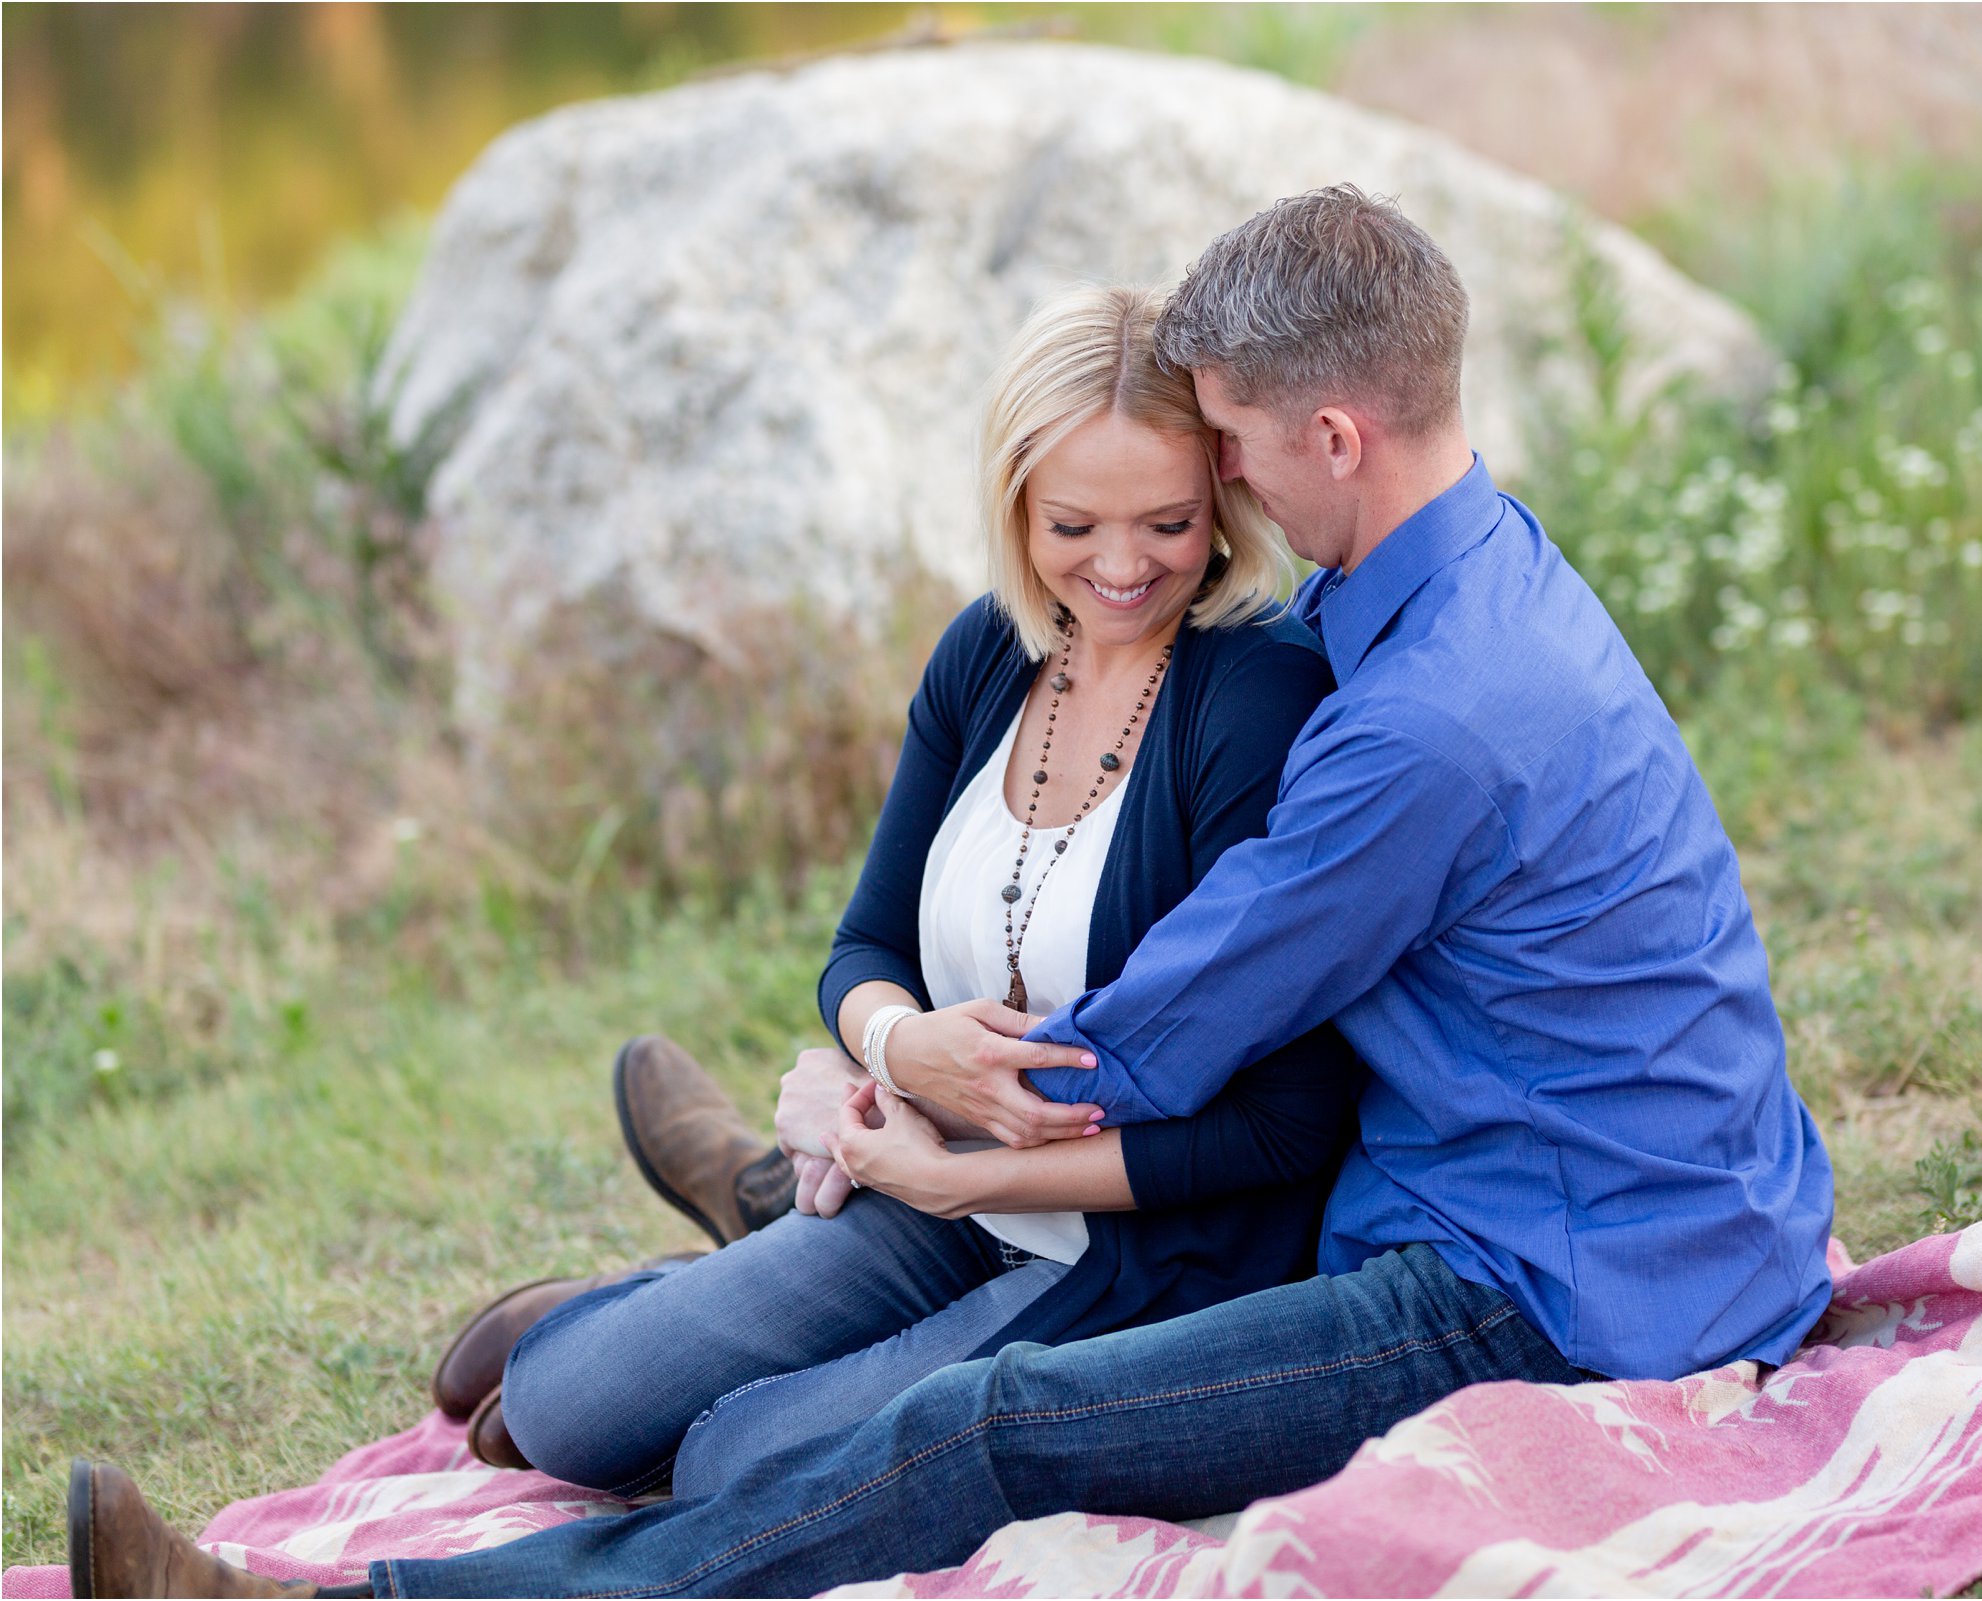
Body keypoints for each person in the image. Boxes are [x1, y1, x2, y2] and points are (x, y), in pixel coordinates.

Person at [70, 185, 1836, 1601]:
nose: (1205, 490)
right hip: (1605, 1190)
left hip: (1546, 1277)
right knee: (687, 1385)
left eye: (1223, 446)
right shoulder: (1454, 581)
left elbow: (1140, 1045)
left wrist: (893, 1107)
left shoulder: (1422, 718)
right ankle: (772, 1213)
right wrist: (882, 1061)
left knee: (996, 1425)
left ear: (1333, 431)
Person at [60, 282, 1360, 1597]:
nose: (1123, 565)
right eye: (1075, 523)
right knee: (565, 1406)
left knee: (741, 1459)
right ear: (1014, 506)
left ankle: (303, 1577)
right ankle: (710, 1264)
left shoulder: (1250, 700)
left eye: (1171, 523)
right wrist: (902, 1046)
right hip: (927, 1168)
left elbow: (1286, 1127)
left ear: (1226, 506)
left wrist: (972, 1172)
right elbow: (860, 949)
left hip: (1124, 1250)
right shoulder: (992, 656)